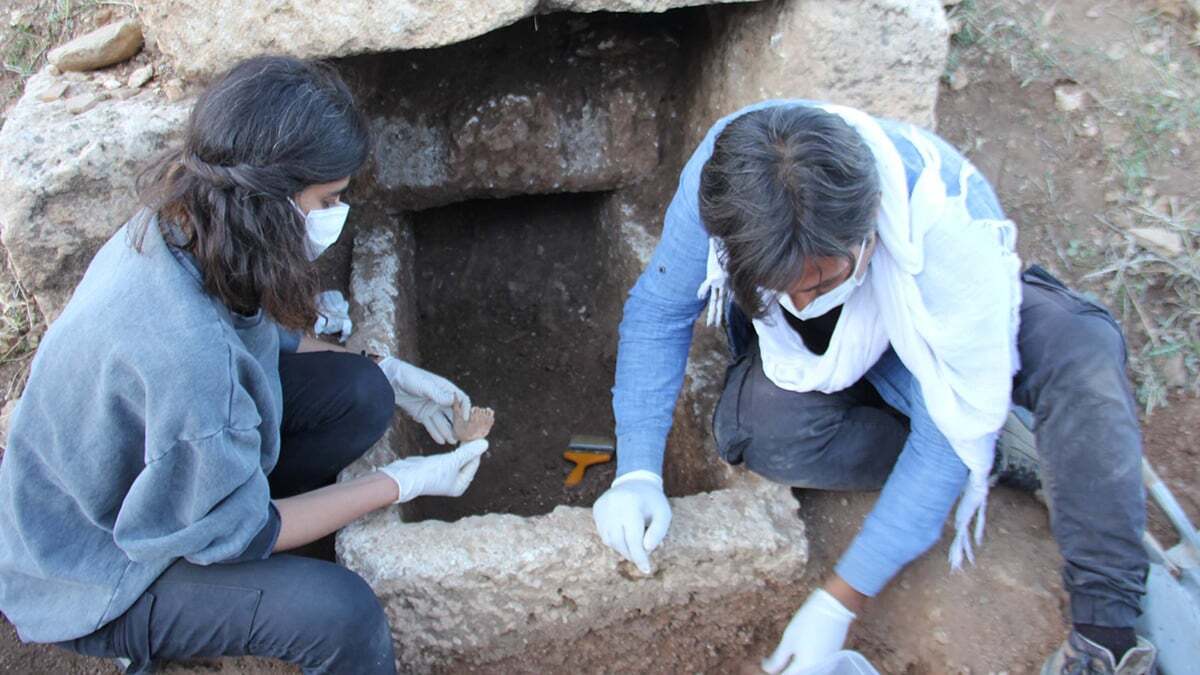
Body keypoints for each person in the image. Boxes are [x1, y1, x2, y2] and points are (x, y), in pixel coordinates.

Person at [592, 100, 1156, 675]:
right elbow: (661, 311)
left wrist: (839, 599)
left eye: (822, 280)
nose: (803, 299)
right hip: (807, 353)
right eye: (780, 283)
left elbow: (942, 436)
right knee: (760, 431)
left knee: (1077, 346)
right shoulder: (725, 181)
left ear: (868, 232)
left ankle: (1104, 634)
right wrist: (637, 469)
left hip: (925, 325)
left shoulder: (943, 222)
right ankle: (995, 447)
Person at [0, 56, 494, 675]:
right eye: (329, 199)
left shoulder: (185, 226)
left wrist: (387, 370)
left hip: (137, 479)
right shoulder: (189, 361)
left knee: (362, 393)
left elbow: (260, 337)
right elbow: (240, 530)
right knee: (340, 616)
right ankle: (163, 632)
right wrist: (403, 482)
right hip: (91, 566)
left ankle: (249, 551)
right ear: (270, 200)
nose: (337, 215)